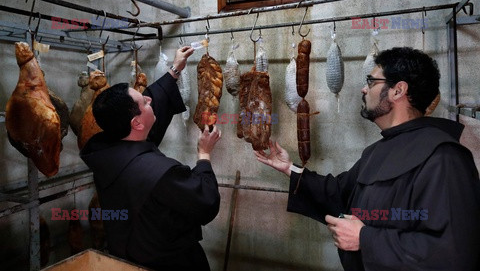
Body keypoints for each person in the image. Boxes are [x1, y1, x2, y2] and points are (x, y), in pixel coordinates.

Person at [255, 47, 480, 271]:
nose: (364, 89)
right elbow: (338, 192)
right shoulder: (377, 151)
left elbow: (455, 253)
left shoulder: (445, 157)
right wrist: (289, 168)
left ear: (398, 90)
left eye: (371, 82)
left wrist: (365, 239)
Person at [80, 46, 222, 271]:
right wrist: (204, 155)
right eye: (144, 102)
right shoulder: (161, 173)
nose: (149, 98)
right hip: (170, 262)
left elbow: (149, 111)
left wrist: (174, 70)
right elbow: (206, 202)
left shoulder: (105, 151)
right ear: (136, 123)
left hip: (126, 259)